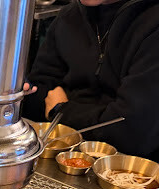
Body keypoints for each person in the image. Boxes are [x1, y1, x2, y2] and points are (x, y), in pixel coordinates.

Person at [22, 0, 159, 161]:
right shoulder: (68, 17)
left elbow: (132, 132)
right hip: (62, 156)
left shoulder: (152, 24)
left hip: (131, 166)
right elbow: (38, 98)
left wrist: (61, 110)